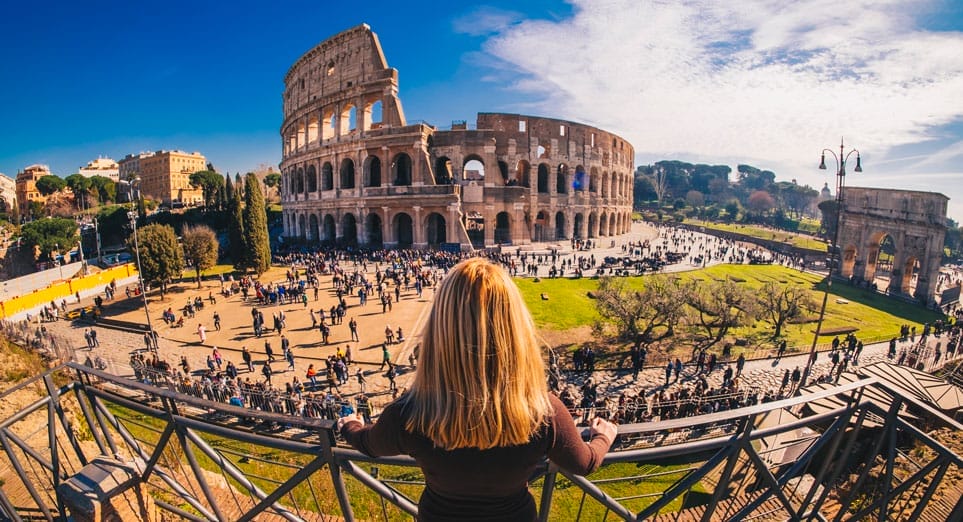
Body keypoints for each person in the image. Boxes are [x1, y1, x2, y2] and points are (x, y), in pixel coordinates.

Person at [339, 258, 617, 521]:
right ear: (515, 328)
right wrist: (603, 437)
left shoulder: (409, 413)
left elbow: (368, 444)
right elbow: (584, 463)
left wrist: (349, 425)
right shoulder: (544, 411)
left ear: (439, 328)